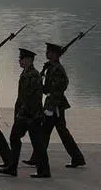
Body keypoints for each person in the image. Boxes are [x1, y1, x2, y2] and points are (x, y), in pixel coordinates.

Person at [27, 42, 86, 172]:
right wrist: (41, 75)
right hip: (51, 103)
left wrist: (51, 107)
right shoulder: (51, 67)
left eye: (49, 52)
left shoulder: (57, 69)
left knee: (60, 133)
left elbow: (60, 88)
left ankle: (77, 158)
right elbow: (47, 89)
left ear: (55, 54)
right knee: (45, 132)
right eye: (47, 51)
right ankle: (36, 157)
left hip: (56, 106)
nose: (47, 53)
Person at [0, 48, 46, 177]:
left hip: (30, 115)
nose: (19, 61)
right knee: (16, 138)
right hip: (25, 113)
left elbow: (34, 98)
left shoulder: (33, 75)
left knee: (36, 143)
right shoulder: (26, 73)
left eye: (21, 58)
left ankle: (43, 170)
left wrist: (25, 113)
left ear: (29, 60)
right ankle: (13, 167)